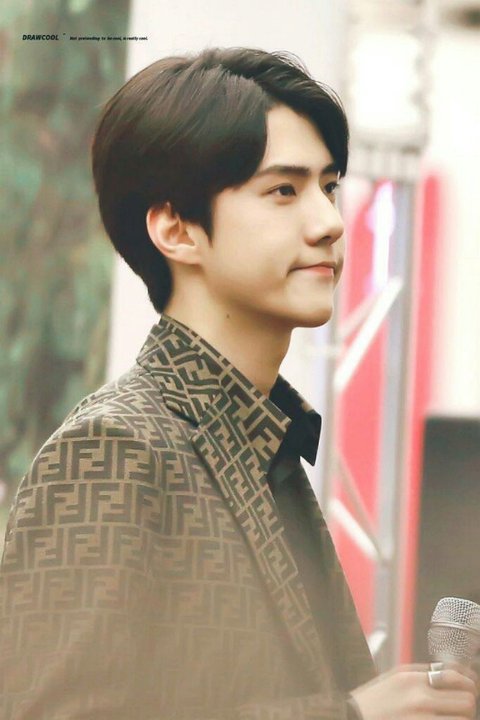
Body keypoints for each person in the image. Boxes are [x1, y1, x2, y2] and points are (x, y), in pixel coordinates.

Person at [0, 47, 477, 720]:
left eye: (329, 187)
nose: (330, 222)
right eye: (283, 190)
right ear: (175, 229)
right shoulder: (114, 449)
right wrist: (351, 714)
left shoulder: (268, 443)